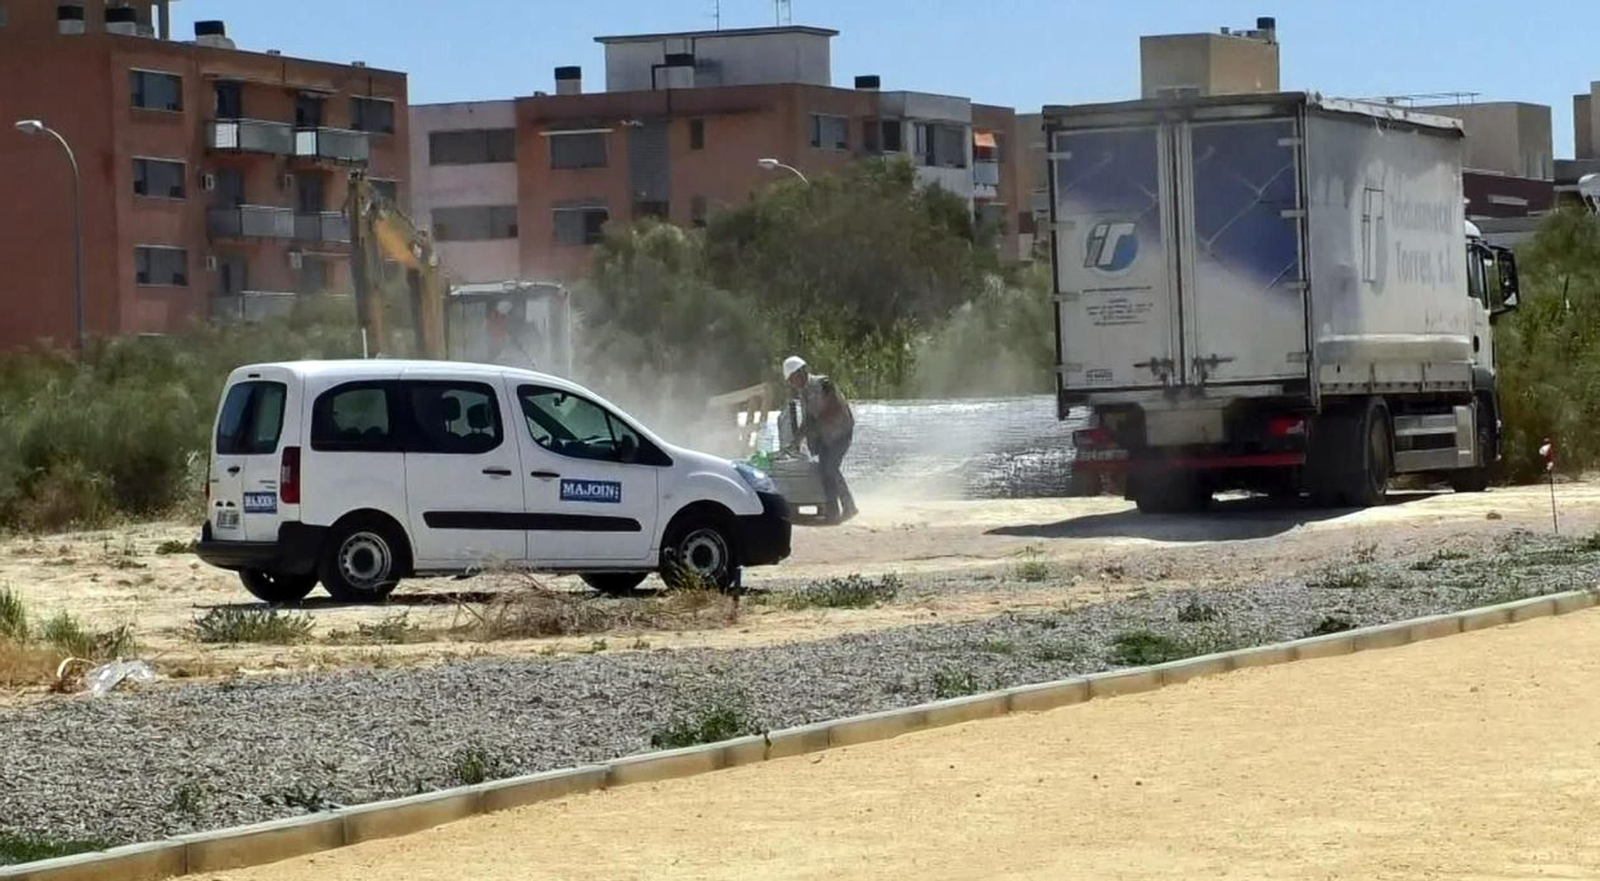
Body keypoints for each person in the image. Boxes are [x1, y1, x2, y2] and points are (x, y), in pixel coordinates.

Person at [783, 355, 857, 523]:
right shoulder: (804, 393)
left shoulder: (823, 384)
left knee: (830, 468)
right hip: (826, 437)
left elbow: (827, 410)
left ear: (801, 373)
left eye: (793, 378)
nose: (792, 383)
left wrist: (811, 431)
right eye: (790, 381)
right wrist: (796, 441)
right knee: (824, 472)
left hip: (840, 433)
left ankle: (849, 507)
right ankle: (833, 512)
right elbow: (809, 419)